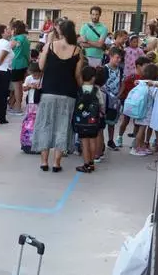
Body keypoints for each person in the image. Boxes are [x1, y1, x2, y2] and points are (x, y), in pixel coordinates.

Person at [32, 19, 83, 172]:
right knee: (63, 126)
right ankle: (57, 163)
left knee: (45, 124)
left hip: (48, 91)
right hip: (68, 93)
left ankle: (44, 162)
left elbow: (40, 66)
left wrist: (45, 48)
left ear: (61, 32)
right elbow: (77, 75)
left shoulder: (50, 46)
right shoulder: (77, 50)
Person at [73, 65, 103, 174]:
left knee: (84, 143)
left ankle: (86, 164)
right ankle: (92, 163)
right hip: (93, 121)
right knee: (93, 141)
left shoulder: (79, 90)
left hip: (81, 121)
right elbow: (101, 104)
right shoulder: (96, 90)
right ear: (93, 78)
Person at [116, 56, 149, 148]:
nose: (146, 68)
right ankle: (119, 136)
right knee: (125, 121)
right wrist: (119, 95)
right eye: (145, 66)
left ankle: (135, 140)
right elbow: (123, 85)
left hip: (139, 104)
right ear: (138, 66)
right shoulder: (132, 77)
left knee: (137, 123)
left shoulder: (146, 78)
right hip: (130, 103)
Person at [130, 63, 158, 156]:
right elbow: (155, 97)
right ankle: (135, 148)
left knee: (141, 129)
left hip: (140, 110)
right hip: (146, 112)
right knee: (141, 130)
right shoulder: (152, 85)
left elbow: (137, 82)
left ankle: (141, 147)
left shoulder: (142, 82)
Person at [104, 47, 124, 150]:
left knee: (112, 121)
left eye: (120, 58)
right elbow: (102, 84)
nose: (119, 60)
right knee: (102, 121)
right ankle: (101, 143)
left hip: (115, 99)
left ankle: (110, 140)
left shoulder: (120, 69)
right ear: (110, 57)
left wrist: (118, 95)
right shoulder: (104, 68)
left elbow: (122, 83)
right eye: (117, 57)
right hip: (106, 98)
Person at [9, 20, 30, 115]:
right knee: (20, 86)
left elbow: (8, 49)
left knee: (17, 87)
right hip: (24, 63)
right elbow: (27, 54)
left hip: (16, 64)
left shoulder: (16, 39)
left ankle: (17, 107)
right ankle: (17, 104)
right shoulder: (25, 39)